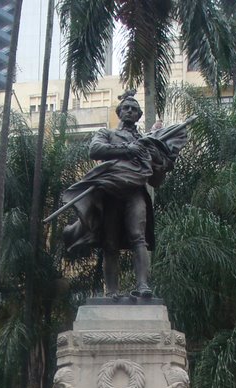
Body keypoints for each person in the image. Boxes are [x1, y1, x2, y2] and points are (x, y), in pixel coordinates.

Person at [60, 91, 191, 298]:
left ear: (139, 115)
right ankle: (112, 291)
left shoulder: (147, 141)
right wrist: (127, 149)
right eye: (126, 108)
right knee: (109, 243)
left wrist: (158, 160)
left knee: (138, 237)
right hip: (111, 193)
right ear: (119, 112)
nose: (129, 111)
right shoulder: (108, 133)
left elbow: (155, 180)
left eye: (134, 109)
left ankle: (142, 286)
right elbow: (95, 150)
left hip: (135, 192)